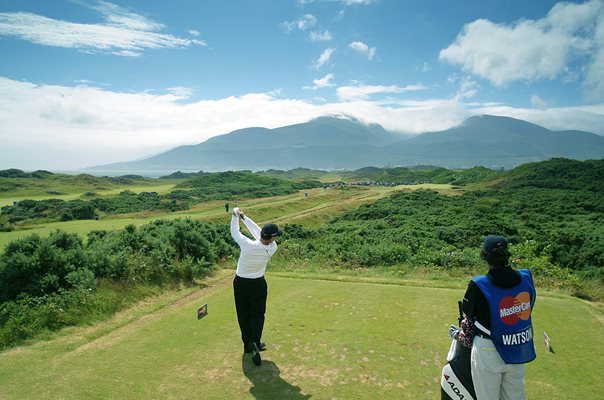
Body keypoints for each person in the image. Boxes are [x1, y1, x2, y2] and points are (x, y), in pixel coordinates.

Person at [462, 235, 537, 400]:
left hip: (488, 350)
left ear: (485, 255)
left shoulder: (478, 284)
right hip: (517, 348)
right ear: (507, 254)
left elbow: (468, 314)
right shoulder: (526, 277)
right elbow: (529, 305)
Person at [230, 207, 282, 366]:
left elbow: (235, 232)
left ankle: (247, 344)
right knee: (258, 315)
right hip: (258, 284)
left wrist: (236, 216)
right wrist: (245, 218)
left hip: (241, 284)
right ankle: (255, 341)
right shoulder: (273, 248)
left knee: (243, 314)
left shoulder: (247, 245)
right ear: (272, 237)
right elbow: (259, 232)